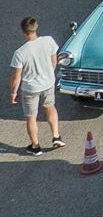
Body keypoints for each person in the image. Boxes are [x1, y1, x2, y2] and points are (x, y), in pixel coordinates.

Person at [12, 14, 62, 154]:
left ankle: (35, 146)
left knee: (31, 117)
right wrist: (49, 73)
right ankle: (56, 136)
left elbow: (16, 77)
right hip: (48, 83)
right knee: (50, 107)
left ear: (23, 31)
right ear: (36, 27)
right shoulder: (48, 41)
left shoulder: (20, 53)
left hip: (30, 88)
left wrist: (13, 93)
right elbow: (54, 60)